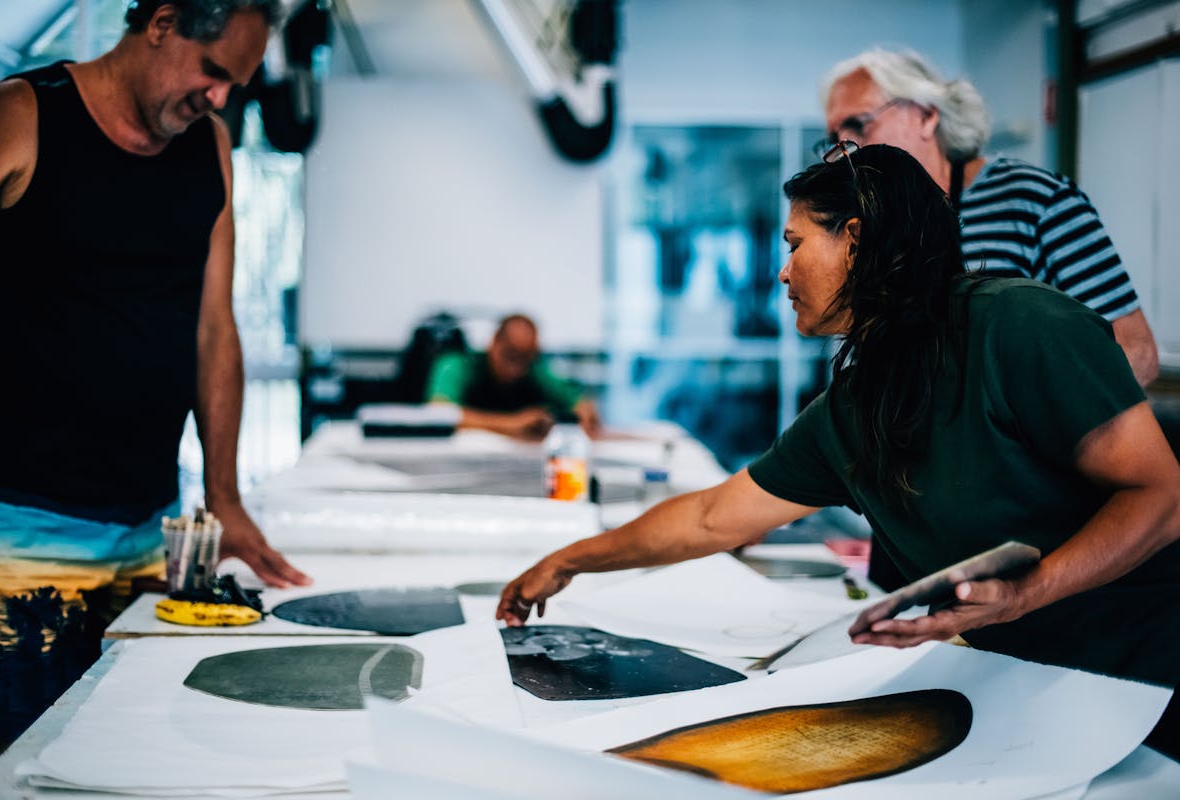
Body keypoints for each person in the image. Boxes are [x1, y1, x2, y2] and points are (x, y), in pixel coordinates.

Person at [497, 145, 1180, 756]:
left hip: (1145, 681)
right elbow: (713, 518)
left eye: (795, 244)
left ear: (855, 239)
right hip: (1023, 686)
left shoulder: (1022, 328)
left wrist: (1028, 592)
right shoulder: (858, 406)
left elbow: (1163, 496)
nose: (783, 272)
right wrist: (570, 561)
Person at [0, 0, 311, 761]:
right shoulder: (20, 116)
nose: (221, 97)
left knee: (116, 756)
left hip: (146, 536)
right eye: (213, 70)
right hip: (12, 537)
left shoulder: (211, 146)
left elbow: (214, 328)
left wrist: (223, 498)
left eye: (239, 82)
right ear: (160, 22)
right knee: (14, 763)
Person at [820, 48, 1159, 388]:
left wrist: (1020, 423)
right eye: (834, 139)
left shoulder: (1037, 199)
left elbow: (1135, 353)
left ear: (926, 116)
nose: (844, 152)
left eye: (858, 125)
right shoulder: (873, 223)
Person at [426, 313, 601, 440]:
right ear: (494, 342)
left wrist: (581, 418)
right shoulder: (458, 365)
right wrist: (513, 423)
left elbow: (581, 403)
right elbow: (440, 413)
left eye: (525, 359)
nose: (516, 369)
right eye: (510, 356)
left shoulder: (536, 370)